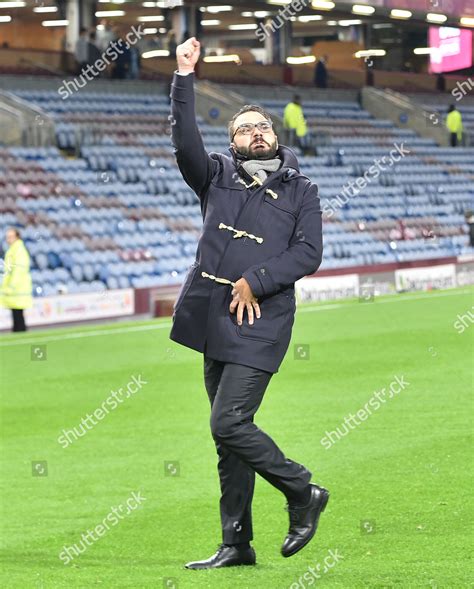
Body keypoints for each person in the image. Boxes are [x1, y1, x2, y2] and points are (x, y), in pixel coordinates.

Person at [169, 37, 327, 570]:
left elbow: (309, 253)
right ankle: (236, 543)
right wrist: (184, 76)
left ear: (275, 137)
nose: (256, 134)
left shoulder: (302, 189)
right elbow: (184, 138)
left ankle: (303, 491)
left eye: (263, 127)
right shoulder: (213, 176)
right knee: (226, 437)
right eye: (245, 129)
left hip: (262, 320)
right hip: (212, 319)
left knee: (228, 421)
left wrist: (255, 280)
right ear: (233, 143)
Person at [1, 228, 33, 332]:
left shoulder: (18, 250)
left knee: (18, 313)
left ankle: (19, 330)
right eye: (7, 237)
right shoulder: (13, 249)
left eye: (10, 237)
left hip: (18, 288)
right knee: (16, 312)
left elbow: (18, 270)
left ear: (17, 237)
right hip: (15, 288)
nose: (8, 239)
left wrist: (11, 286)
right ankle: (18, 329)